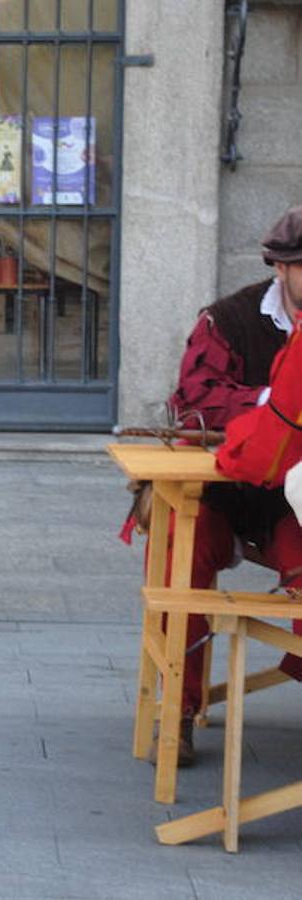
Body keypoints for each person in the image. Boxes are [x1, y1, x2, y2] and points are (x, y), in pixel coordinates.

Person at [157, 205, 302, 763]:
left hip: (294, 499)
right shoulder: (226, 320)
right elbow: (194, 402)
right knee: (183, 557)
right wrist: (272, 404)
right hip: (221, 488)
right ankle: (180, 710)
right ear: (281, 267)